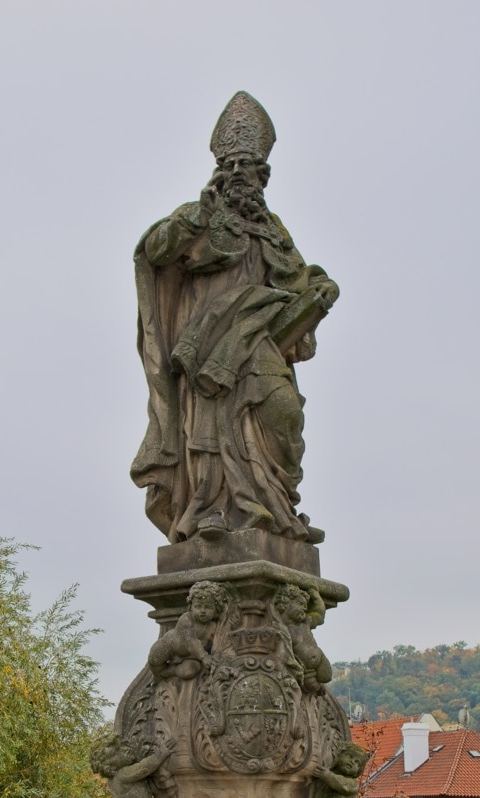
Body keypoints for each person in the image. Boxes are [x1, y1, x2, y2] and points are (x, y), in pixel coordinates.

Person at [131, 91, 339, 545]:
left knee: (283, 414)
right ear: (221, 172)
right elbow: (155, 251)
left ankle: (275, 507)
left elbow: (296, 280)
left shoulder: (271, 227)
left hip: (259, 339)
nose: (245, 177)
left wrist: (318, 289)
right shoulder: (199, 215)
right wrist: (196, 219)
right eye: (236, 168)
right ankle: (210, 508)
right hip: (210, 345)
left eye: (255, 170)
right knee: (211, 420)